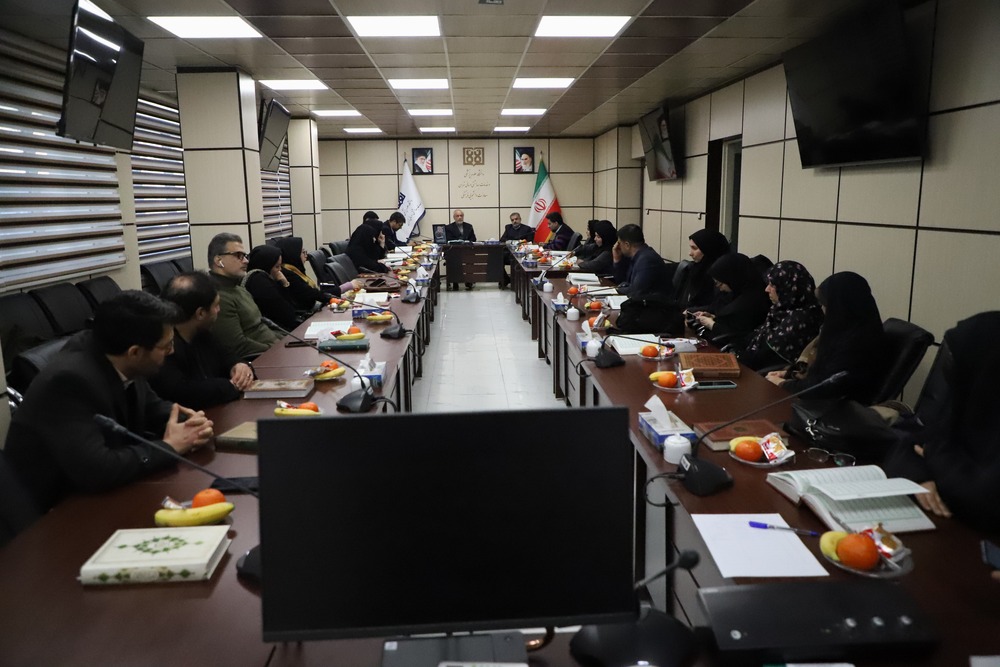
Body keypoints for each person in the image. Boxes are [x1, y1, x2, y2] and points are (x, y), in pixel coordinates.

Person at [4, 291, 214, 512]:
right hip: (54, 513)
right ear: (135, 352)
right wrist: (169, 447)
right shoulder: (68, 381)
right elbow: (97, 469)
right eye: (166, 346)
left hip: (102, 495)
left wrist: (190, 424)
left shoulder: (119, 354)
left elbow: (153, 408)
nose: (172, 352)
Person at [883, 312, 1000, 532]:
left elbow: (984, 501)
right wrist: (920, 478)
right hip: (944, 529)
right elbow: (904, 447)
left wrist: (933, 456)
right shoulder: (968, 402)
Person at [766, 271, 887, 404]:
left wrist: (783, 384)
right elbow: (820, 372)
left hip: (837, 409)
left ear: (840, 307)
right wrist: (788, 374)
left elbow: (822, 388)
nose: (822, 309)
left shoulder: (857, 344)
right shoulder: (846, 330)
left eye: (826, 305)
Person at [152, 272, 255, 410]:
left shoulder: (203, 334)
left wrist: (240, 366)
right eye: (216, 305)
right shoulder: (165, 347)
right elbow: (182, 392)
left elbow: (228, 357)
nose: (219, 310)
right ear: (200, 313)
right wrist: (231, 386)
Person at [737, 260, 825, 371]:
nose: (766, 289)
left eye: (772, 285)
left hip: (768, 374)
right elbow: (756, 337)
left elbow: (768, 356)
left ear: (788, 287)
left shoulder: (802, 318)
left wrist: (735, 358)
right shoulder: (782, 309)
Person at [207, 233, 282, 360]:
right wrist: (277, 349)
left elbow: (262, 328)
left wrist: (288, 341)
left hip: (275, 350)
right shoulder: (218, 297)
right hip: (262, 360)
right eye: (238, 256)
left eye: (245, 256)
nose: (246, 261)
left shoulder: (239, 289)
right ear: (219, 261)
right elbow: (237, 346)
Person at [689, 253, 771, 348]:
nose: (720, 288)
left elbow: (739, 334)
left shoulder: (754, 301)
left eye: (720, 284)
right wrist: (713, 317)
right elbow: (729, 319)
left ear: (732, 278)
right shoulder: (737, 293)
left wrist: (711, 324)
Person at [273, 236, 360, 311]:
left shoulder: (293, 270)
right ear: (293, 255)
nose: (306, 255)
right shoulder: (288, 275)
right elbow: (314, 295)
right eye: (302, 252)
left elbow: (314, 293)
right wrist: (345, 287)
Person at [242, 244, 301, 332]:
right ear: (266, 265)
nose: (280, 270)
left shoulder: (258, 277)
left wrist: (285, 284)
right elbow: (288, 315)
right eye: (277, 266)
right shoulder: (261, 284)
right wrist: (284, 284)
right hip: (275, 331)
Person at [673, 229, 731, 309]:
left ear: (708, 249)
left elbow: (717, 307)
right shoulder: (695, 268)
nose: (690, 253)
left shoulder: (722, 276)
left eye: (694, 248)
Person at [612, 224, 672, 300]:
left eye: (619, 243)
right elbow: (623, 281)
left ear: (627, 245)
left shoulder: (647, 260)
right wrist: (617, 259)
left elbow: (637, 292)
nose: (618, 246)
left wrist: (615, 290)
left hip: (655, 305)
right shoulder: (638, 256)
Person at [499, 212, 535, 288]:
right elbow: (502, 240)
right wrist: (512, 242)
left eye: (516, 219)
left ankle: (517, 281)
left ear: (520, 219)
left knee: (517, 261)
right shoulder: (508, 228)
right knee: (498, 259)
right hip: (509, 253)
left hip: (522, 254)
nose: (514, 221)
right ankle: (506, 279)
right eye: (512, 220)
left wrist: (519, 242)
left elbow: (530, 242)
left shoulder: (527, 229)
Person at [445, 209, 477, 291]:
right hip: (454, 252)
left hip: (467, 251)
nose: (459, 217)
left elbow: (473, 239)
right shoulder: (449, 227)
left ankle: (469, 281)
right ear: (454, 217)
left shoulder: (469, 226)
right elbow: (448, 239)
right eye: (457, 216)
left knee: (470, 260)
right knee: (454, 260)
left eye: (461, 216)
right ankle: (455, 282)